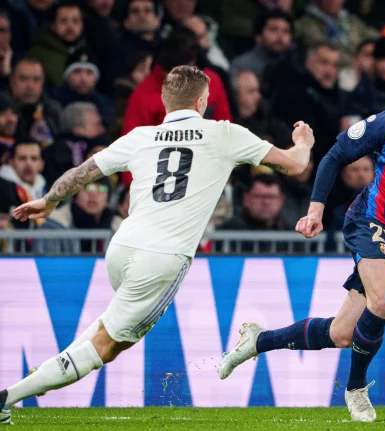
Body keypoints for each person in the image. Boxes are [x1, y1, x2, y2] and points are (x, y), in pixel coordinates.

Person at [0, 65, 314, 425]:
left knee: (110, 339)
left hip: (122, 247)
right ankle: (10, 396)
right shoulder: (224, 133)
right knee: (104, 346)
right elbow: (294, 165)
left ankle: (34, 381)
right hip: (162, 258)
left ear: (166, 102)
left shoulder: (141, 136)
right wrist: (304, 141)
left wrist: (50, 202)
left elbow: (81, 173)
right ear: (201, 101)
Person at [218, 47, 385, 423]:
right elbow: (334, 156)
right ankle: (356, 389)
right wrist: (315, 209)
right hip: (369, 221)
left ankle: (258, 340)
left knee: (344, 333)